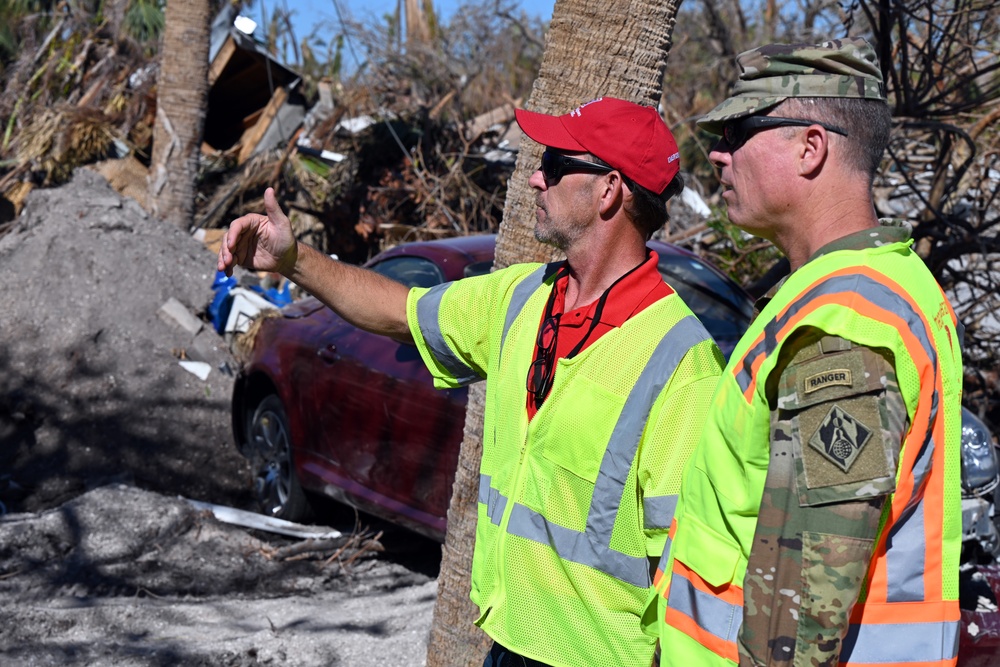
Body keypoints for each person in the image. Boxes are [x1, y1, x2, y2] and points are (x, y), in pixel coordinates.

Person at [218, 97, 725, 667]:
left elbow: (691, 571)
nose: (535, 177)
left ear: (609, 190)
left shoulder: (681, 363)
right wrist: (293, 260)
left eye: (555, 164)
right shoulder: (519, 298)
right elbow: (398, 310)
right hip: (507, 645)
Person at [646, 39, 964, 666]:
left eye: (739, 132)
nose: (717, 154)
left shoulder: (844, 323)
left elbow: (801, 611)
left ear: (810, 146)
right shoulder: (860, 290)